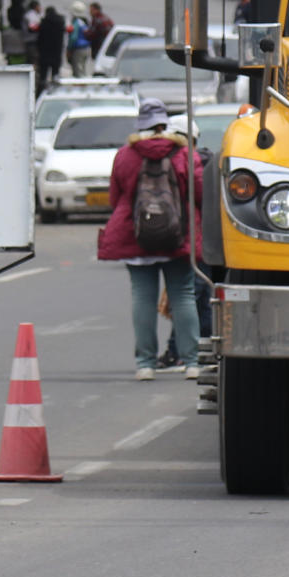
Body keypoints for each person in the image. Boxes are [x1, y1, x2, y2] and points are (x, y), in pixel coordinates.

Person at [98, 99, 203, 380]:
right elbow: (199, 191)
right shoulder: (183, 153)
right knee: (183, 295)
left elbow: (114, 197)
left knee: (142, 297)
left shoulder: (125, 155)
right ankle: (192, 361)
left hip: (138, 237)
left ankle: (145, 364)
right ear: (164, 123)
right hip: (177, 237)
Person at [34, 0, 68, 94]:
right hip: (56, 53)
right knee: (55, 74)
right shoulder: (61, 22)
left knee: (43, 76)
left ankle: (41, 92)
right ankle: (55, 92)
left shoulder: (44, 23)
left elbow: (39, 38)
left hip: (44, 53)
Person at [66, 0, 94, 78]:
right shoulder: (84, 22)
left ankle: (79, 86)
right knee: (83, 69)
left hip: (78, 49)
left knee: (78, 71)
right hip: (86, 48)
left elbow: (73, 38)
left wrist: (69, 49)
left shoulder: (76, 23)